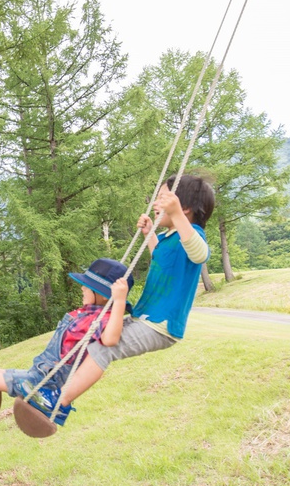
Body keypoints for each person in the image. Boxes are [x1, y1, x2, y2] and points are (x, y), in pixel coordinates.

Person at [46, 174, 214, 421]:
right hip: (145, 318)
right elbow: (163, 259)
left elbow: (200, 255)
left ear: (184, 208)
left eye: (163, 198)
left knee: (103, 349)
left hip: (160, 325)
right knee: (95, 337)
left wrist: (177, 214)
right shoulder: (170, 239)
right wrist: (149, 234)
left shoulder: (192, 235)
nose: (157, 204)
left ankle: (59, 403)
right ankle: (53, 389)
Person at [0, 258, 134, 460]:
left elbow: (110, 339)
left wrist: (119, 301)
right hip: (41, 373)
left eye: (87, 286)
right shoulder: (89, 312)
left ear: (102, 294)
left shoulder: (103, 317)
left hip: (46, 382)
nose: (82, 289)